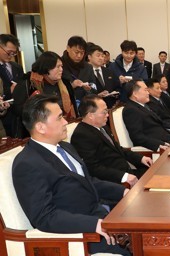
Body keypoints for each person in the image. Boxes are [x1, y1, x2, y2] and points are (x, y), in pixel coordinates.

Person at [12, 94, 131, 255]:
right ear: (40, 127)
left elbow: (89, 182)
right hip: (81, 236)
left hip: (103, 216)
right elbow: (44, 216)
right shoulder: (28, 163)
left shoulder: (66, 147)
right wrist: (93, 224)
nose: (66, 122)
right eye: (60, 118)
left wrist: (123, 192)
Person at [71, 95, 152, 187]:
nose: (108, 115)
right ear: (90, 115)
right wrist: (124, 176)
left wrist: (140, 158)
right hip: (114, 181)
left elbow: (118, 149)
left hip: (127, 172)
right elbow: (93, 168)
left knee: (157, 174)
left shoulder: (103, 127)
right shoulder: (81, 135)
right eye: (104, 112)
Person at [13, 51, 79, 138]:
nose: (61, 69)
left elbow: (73, 107)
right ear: (47, 68)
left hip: (65, 128)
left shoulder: (65, 83)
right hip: (38, 133)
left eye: (62, 66)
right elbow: (19, 111)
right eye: (58, 67)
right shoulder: (28, 84)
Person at [122, 79, 170, 151]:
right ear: (135, 93)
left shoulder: (144, 105)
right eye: (145, 90)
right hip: (162, 148)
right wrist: (159, 145)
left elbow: (158, 126)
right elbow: (137, 137)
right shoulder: (130, 110)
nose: (148, 93)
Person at [0, 34, 24, 137]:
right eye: (9, 52)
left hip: (18, 114)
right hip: (3, 117)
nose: (11, 56)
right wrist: (9, 91)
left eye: (14, 53)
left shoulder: (17, 67)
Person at [61, 36, 96, 102]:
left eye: (82, 53)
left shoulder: (88, 67)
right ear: (68, 48)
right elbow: (55, 90)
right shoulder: (59, 65)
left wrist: (89, 88)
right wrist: (72, 86)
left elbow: (94, 87)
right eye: (76, 52)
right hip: (66, 104)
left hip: (85, 105)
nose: (79, 56)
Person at [86, 44, 120, 108]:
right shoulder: (85, 73)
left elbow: (116, 86)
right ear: (89, 57)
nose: (101, 58)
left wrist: (115, 95)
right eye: (98, 55)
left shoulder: (109, 71)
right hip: (94, 108)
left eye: (102, 56)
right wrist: (97, 96)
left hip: (110, 107)